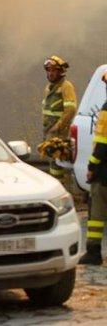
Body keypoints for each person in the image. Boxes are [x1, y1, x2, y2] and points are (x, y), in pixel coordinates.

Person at [80, 71, 107, 265]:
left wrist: (91, 166)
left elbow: (101, 143)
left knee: (96, 213)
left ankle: (93, 252)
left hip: (104, 172)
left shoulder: (106, 109)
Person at [42, 56, 77, 185]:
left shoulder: (66, 86)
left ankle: (61, 190)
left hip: (60, 134)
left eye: (53, 70)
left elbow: (71, 110)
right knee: (52, 163)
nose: (50, 73)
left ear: (60, 71)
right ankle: (55, 186)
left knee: (58, 164)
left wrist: (58, 127)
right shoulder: (49, 88)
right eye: (48, 70)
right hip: (49, 132)